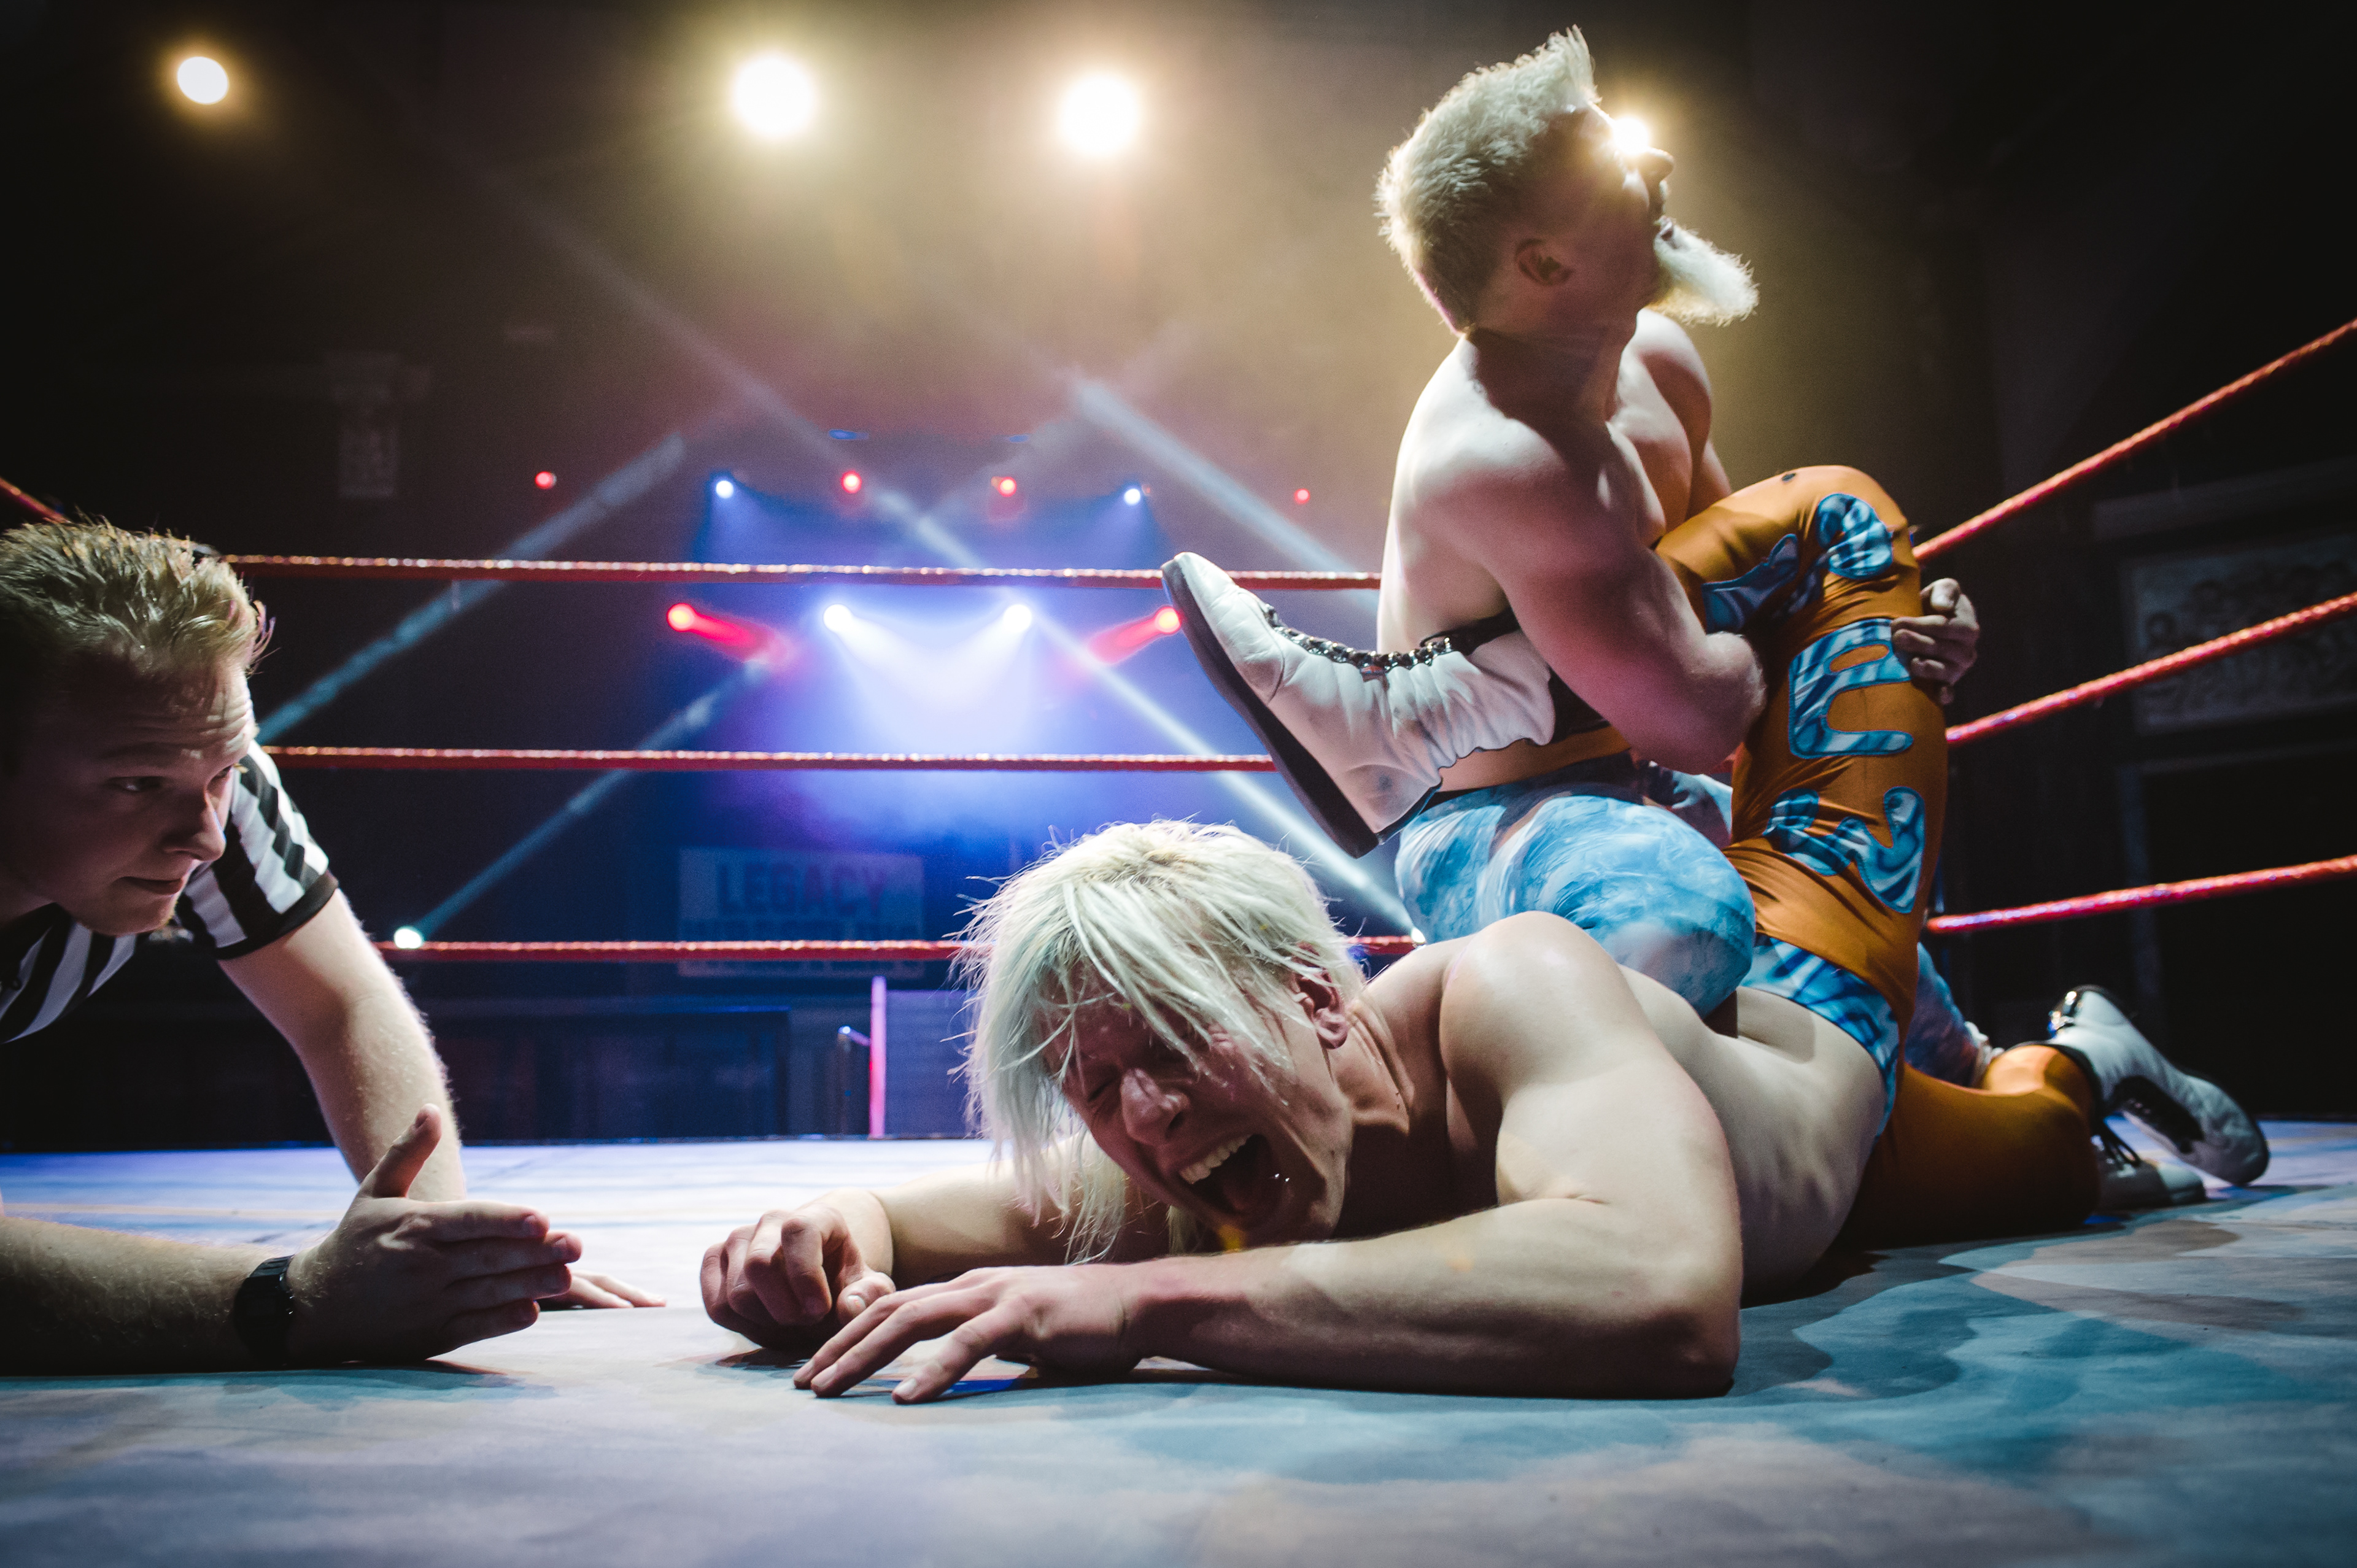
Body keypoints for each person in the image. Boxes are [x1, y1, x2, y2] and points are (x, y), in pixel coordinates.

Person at [1158, 29, 2264, 1232]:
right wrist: (1806, 622)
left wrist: (1881, 620)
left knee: (1912, 1066)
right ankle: (2046, 1118)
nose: (1659, 165)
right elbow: (1700, 709)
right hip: (1501, 828)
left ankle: (2073, 1073)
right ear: (1543, 261)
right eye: (1612, 167)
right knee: (1688, 949)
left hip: (1664, 788)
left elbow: (1752, 596)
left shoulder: (1661, 364)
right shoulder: (1507, 455)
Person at [703, 818, 1882, 1402]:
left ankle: (2040, 1055)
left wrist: (1143, 1301)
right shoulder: (1181, 1160)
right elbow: (906, 1222)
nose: (1145, 1115)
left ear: (1316, 996)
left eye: (1175, 1036)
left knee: (2040, 1138)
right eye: (1097, 1086)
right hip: (1647, 1035)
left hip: (1841, 1043)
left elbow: (1665, 1290)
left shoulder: (1506, 983)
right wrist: (816, 1240)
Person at [0, 519, 659, 1373]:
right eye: (135, 783)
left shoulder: (206, 779)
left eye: (223, 770)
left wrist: (436, 1253)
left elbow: (340, 1005)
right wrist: (293, 1298)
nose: (205, 836)